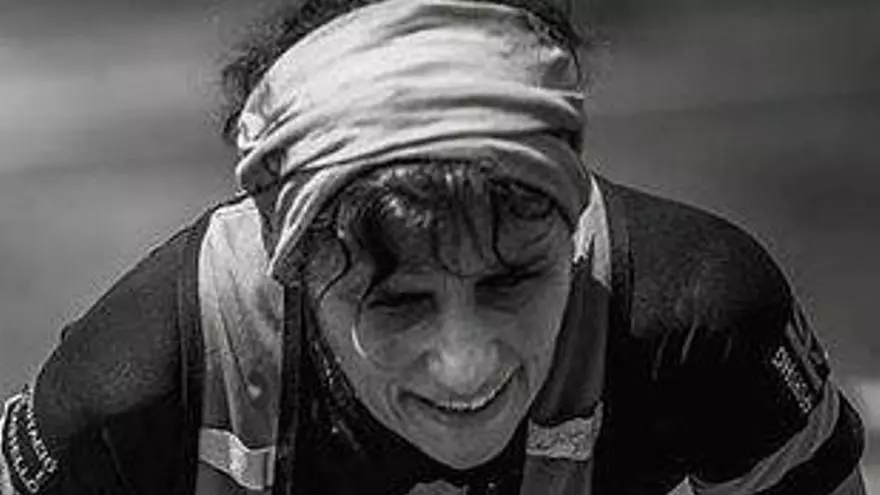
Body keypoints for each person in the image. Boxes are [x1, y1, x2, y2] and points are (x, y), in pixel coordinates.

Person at [0, 0, 867, 493]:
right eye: (399, 300)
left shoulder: (703, 317)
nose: (464, 364)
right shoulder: (133, 386)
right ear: (290, 265)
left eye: (511, 282)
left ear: (569, 225)